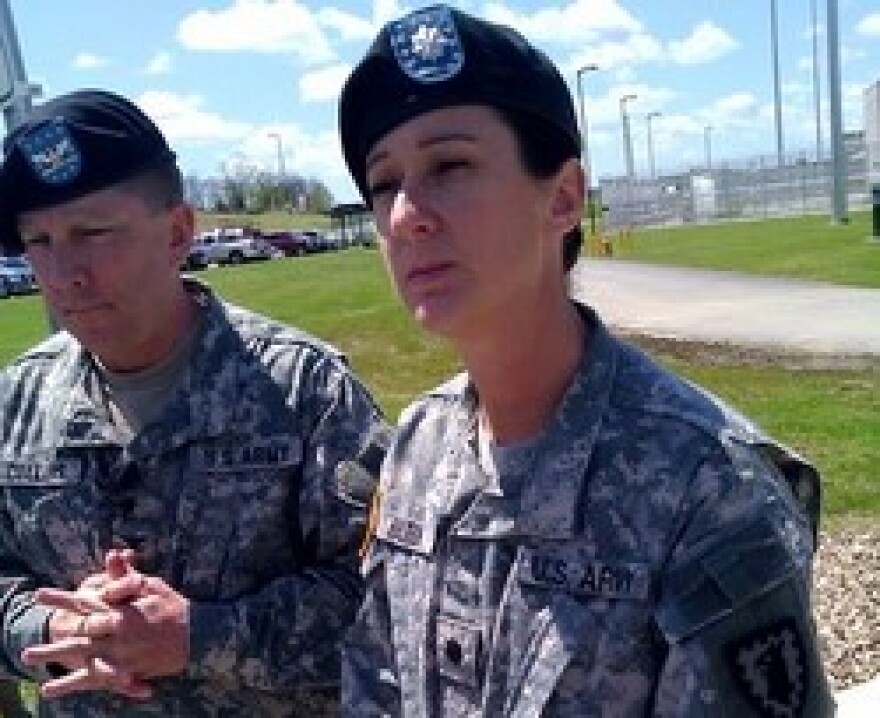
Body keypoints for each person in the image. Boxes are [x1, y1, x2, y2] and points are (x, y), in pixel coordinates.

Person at [338, 5, 834, 716]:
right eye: (384, 183)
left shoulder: (705, 485)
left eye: (450, 165)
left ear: (564, 197)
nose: (406, 213)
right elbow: (375, 679)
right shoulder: (417, 446)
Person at [0, 88, 389, 716]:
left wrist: (197, 637)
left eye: (92, 232)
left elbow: (390, 601)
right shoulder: (15, 403)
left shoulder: (306, 392)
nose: (64, 271)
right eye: (38, 241)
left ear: (178, 232)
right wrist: (53, 632)